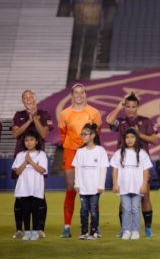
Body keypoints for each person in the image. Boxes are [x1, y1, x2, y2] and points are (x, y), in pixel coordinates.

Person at [106, 92, 159, 237]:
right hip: (124, 164)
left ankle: (148, 228)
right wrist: (118, 106)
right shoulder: (121, 122)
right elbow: (109, 121)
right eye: (127, 106)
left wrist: (138, 134)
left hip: (141, 165)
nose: (130, 109)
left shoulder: (146, 121)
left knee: (145, 196)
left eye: (133, 106)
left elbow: (154, 140)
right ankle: (124, 229)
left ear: (138, 107)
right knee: (123, 197)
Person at [57, 84, 102, 238]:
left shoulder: (94, 112)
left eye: (82, 92)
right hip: (70, 151)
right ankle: (67, 227)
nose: (79, 95)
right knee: (71, 188)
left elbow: (98, 133)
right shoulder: (64, 114)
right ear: (72, 94)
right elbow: (62, 134)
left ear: (85, 94)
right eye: (76, 92)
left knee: (92, 188)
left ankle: (95, 227)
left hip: (88, 152)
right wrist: (73, 146)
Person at [11, 90, 53, 239]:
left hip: (38, 158)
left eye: (30, 97)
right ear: (23, 100)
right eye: (25, 97)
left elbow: (44, 134)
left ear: (35, 98)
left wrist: (34, 118)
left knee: (39, 193)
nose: (28, 99)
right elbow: (15, 134)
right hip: (20, 157)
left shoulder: (44, 114)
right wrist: (28, 120)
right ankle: (19, 229)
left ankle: (39, 228)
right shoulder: (18, 115)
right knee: (20, 194)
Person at [111, 128, 152, 240]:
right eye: (127, 137)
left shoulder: (142, 153)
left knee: (135, 209)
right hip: (123, 187)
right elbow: (115, 169)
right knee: (126, 209)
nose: (129, 140)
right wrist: (115, 183)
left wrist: (144, 185)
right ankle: (126, 231)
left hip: (137, 187)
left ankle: (135, 231)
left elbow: (146, 170)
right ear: (124, 139)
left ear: (136, 139)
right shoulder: (119, 153)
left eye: (132, 137)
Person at [73, 123, 109, 239]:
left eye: (85, 134)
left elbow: (103, 169)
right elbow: (77, 169)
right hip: (83, 187)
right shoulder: (80, 152)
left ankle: (94, 232)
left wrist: (101, 185)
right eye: (81, 134)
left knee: (93, 210)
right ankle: (84, 232)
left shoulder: (100, 150)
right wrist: (76, 184)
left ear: (93, 135)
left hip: (94, 188)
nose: (82, 136)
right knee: (83, 210)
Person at [12, 132, 48, 241]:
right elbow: (17, 172)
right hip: (24, 188)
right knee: (25, 211)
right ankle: (27, 232)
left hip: (36, 188)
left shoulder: (41, 154)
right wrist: (25, 162)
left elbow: (42, 170)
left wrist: (31, 161)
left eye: (31, 140)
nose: (29, 142)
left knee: (36, 210)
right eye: (26, 140)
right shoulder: (20, 155)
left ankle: (35, 231)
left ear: (36, 141)